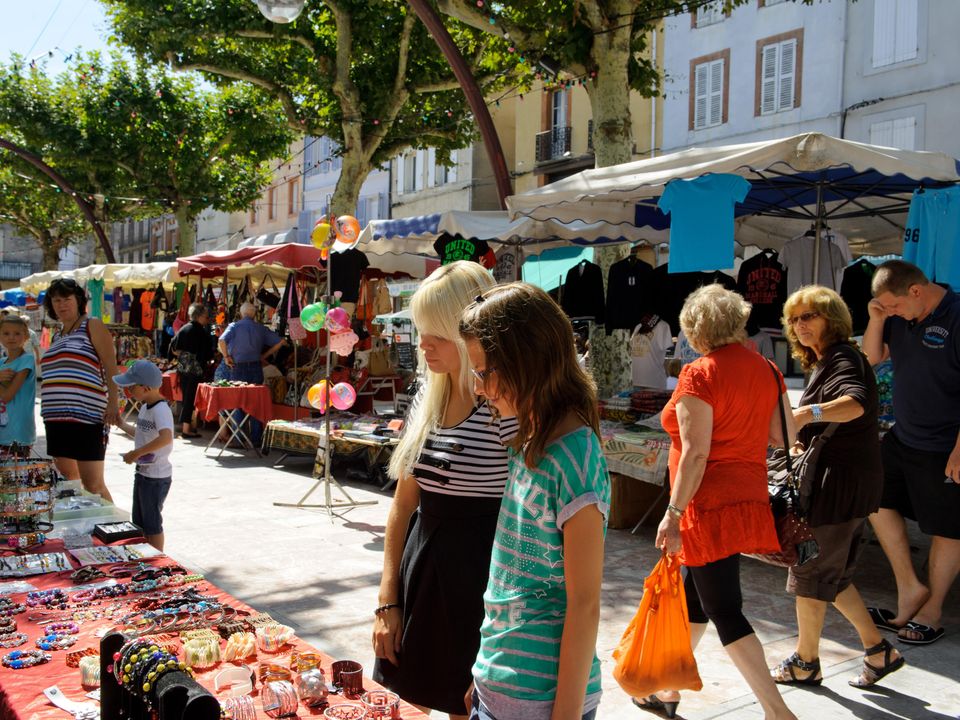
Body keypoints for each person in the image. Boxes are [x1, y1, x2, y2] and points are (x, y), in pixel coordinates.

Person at [459, 282, 610, 720]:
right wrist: (483, 675)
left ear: (527, 363)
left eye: (484, 371)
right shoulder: (529, 440)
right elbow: (512, 580)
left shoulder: (575, 458)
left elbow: (585, 605)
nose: (479, 387)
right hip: (499, 687)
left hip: (542, 704)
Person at [371, 261, 515, 719]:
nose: (422, 344)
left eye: (434, 331)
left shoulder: (503, 404)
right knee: (405, 703)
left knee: (464, 707)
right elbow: (404, 504)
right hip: (423, 567)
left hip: (481, 577)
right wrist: (387, 598)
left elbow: (524, 514)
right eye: (420, 330)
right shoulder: (428, 396)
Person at [646, 285, 796, 720]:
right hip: (744, 499)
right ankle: (668, 692)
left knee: (725, 610)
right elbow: (781, 433)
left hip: (704, 505)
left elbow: (696, 453)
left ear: (694, 328)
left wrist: (672, 514)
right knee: (698, 600)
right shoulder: (767, 368)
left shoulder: (700, 373)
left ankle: (777, 711)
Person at [772, 286, 903, 688]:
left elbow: (856, 403)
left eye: (809, 316)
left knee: (811, 570)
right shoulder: (830, 360)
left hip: (837, 484)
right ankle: (879, 650)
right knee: (833, 575)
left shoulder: (843, 357)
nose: (800, 325)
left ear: (832, 318)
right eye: (794, 319)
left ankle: (805, 661)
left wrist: (804, 413)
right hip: (848, 481)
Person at [863, 259, 960, 646]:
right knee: (872, 496)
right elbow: (871, 359)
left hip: (945, 444)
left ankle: (932, 610)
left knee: (947, 527)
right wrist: (876, 318)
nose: (893, 315)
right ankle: (909, 589)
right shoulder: (899, 316)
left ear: (916, 292)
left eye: (895, 307)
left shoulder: (956, 315)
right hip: (904, 437)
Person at [40, 277, 119, 502]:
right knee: (69, 481)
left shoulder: (91, 325)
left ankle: (116, 532)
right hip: (56, 419)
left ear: (78, 300)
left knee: (93, 485)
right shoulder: (57, 335)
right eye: (56, 300)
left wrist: (113, 402)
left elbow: (111, 367)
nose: (61, 305)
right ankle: (85, 530)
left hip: (87, 417)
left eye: (66, 299)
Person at [112, 360, 174, 551]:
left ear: (145, 387)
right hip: (143, 472)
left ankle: (158, 560)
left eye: (132, 387)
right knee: (140, 520)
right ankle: (145, 555)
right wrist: (121, 424)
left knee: (152, 523)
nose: (129, 391)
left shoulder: (161, 409)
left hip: (156, 476)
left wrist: (137, 453)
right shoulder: (146, 407)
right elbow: (142, 434)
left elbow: (166, 438)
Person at [216, 302, 285, 443]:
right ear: (254, 314)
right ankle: (255, 438)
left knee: (238, 402)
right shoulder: (260, 328)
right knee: (255, 402)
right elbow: (281, 342)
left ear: (241, 313)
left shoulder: (234, 326)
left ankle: (240, 438)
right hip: (255, 367)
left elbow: (221, 339)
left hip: (238, 367)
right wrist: (264, 356)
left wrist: (226, 357)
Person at [170, 303, 214, 438]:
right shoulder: (201, 332)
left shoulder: (184, 329)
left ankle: (189, 426)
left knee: (186, 398)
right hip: (196, 370)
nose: (208, 320)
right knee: (191, 398)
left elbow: (172, 348)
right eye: (207, 318)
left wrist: (183, 355)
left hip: (183, 369)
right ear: (200, 316)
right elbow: (208, 353)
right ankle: (186, 429)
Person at [0, 315, 36, 452]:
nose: (11, 337)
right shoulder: (1, 363)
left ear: (26, 336)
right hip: (3, 432)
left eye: (17, 333)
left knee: (16, 473)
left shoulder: (26, 360)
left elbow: (7, 396)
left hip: (17, 433)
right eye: (6, 333)